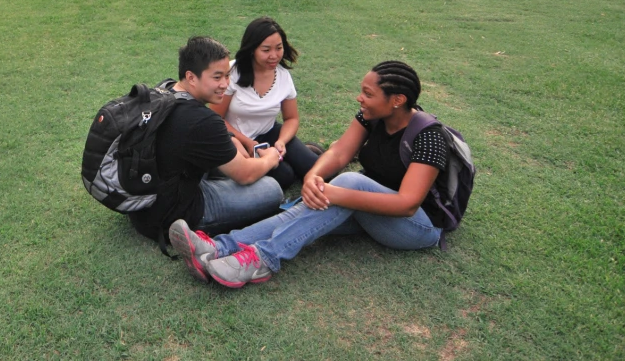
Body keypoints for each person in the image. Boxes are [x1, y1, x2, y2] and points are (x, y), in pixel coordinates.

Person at [169, 61, 451, 288]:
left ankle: (261, 259)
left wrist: (335, 192)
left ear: (397, 100)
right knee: (304, 210)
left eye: (368, 93)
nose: (360, 98)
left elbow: (407, 204)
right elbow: (340, 152)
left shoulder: (428, 136)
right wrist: (313, 176)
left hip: (416, 227)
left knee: (345, 184)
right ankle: (218, 248)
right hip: (372, 210)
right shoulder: (372, 116)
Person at [127, 36, 285, 249]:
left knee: (223, 162)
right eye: (217, 77)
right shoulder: (202, 119)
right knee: (272, 189)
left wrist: (230, 139)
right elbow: (245, 173)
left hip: (143, 201)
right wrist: (271, 158)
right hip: (174, 214)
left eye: (227, 75)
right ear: (191, 77)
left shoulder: (165, 89)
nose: (225, 85)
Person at [211, 18, 320, 191]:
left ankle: (304, 151)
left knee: (315, 169)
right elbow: (215, 119)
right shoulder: (232, 73)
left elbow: (291, 118)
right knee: (285, 177)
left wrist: (282, 142)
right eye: (266, 50)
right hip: (236, 137)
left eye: (279, 48)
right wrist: (247, 142)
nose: (274, 55)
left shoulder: (283, 76)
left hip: (270, 133)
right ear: (252, 49)